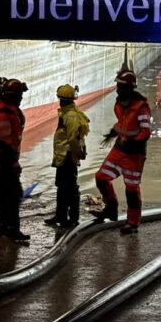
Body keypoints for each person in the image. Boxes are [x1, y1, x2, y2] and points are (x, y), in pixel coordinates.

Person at [94, 69, 152, 235]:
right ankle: (111, 208)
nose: (118, 89)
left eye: (121, 86)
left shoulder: (141, 108)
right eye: (118, 85)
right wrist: (114, 133)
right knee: (101, 177)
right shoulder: (119, 105)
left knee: (132, 189)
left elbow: (145, 132)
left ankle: (132, 223)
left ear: (129, 88)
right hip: (119, 150)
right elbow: (123, 123)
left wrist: (132, 141)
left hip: (134, 155)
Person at [0, 78, 29, 242]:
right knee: (12, 195)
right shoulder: (3, 113)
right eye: (19, 96)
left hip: (0, 158)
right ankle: (12, 230)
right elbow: (3, 142)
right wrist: (13, 162)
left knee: (3, 194)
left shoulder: (4, 110)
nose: (21, 99)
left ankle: (1, 226)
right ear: (13, 96)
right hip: (4, 159)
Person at [45, 84, 89, 229]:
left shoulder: (70, 116)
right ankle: (61, 215)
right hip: (63, 156)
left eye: (61, 99)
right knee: (62, 186)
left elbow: (73, 139)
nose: (60, 101)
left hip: (68, 156)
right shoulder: (67, 113)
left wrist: (77, 153)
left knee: (70, 187)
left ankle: (73, 218)